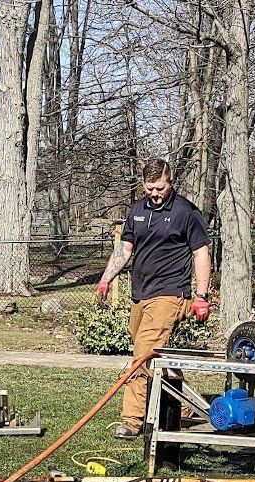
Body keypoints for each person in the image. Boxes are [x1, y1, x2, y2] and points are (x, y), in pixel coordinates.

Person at [96, 158, 211, 439]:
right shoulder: (137, 211)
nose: (155, 194)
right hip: (140, 295)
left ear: (170, 182)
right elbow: (124, 250)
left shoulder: (186, 211)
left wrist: (201, 296)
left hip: (171, 294)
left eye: (160, 188)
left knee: (142, 356)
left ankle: (132, 420)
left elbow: (201, 253)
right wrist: (105, 279)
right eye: (150, 189)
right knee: (159, 355)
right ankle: (182, 407)